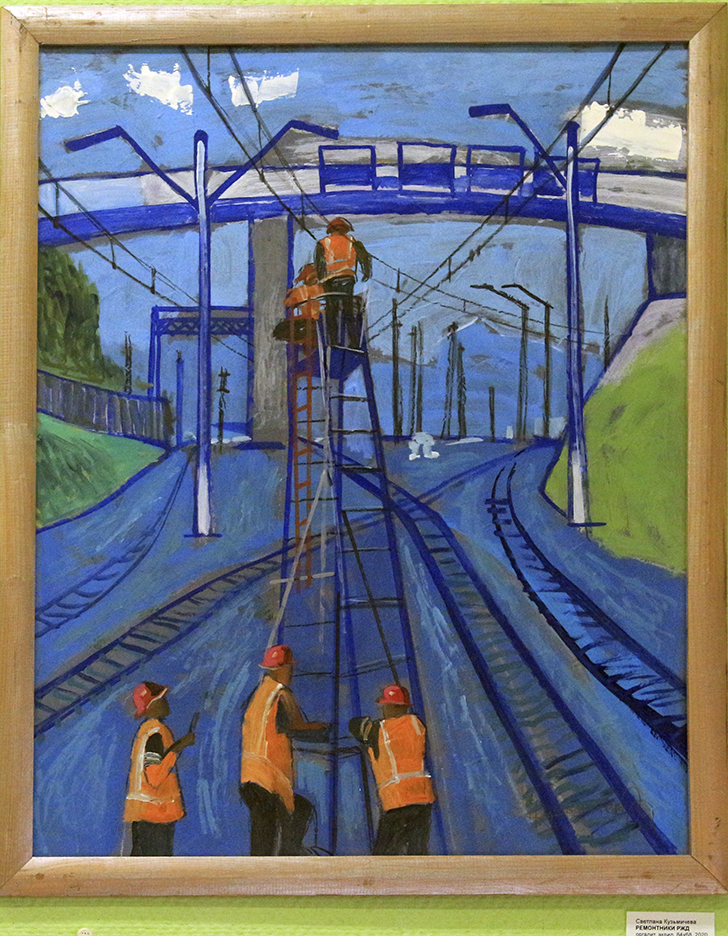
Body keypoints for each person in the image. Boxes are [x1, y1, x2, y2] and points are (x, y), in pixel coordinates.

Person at [240, 644, 329, 856]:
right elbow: (296, 725)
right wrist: (324, 728)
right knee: (292, 815)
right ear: (282, 669)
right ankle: (288, 854)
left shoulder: (259, 693)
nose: (292, 672)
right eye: (289, 668)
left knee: (265, 834)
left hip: (250, 777)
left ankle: (282, 857)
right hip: (269, 779)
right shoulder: (281, 694)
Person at [350, 683, 435, 855]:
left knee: (383, 857)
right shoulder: (416, 724)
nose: (382, 710)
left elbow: (355, 726)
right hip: (422, 800)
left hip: (397, 801)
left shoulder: (378, 730)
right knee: (418, 852)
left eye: (384, 706)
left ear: (390, 707)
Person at [123, 681, 195, 856]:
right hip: (155, 815)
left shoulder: (146, 731)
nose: (166, 702)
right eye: (162, 699)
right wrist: (178, 748)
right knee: (157, 865)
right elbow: (154, 777)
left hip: (144, 814)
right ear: (152, 705)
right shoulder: (156, 733)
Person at [314, 217, 371, 346]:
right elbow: (365, 258)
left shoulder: (323, 243)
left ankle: (334, 342)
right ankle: (353, 342)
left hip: (329, 281)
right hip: (347, 279)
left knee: (331, 312)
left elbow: (319, 264)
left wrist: (321, 279)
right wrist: (366, 273)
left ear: (330, 230)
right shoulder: (352, 241)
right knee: (348, 311)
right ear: (345, 229)